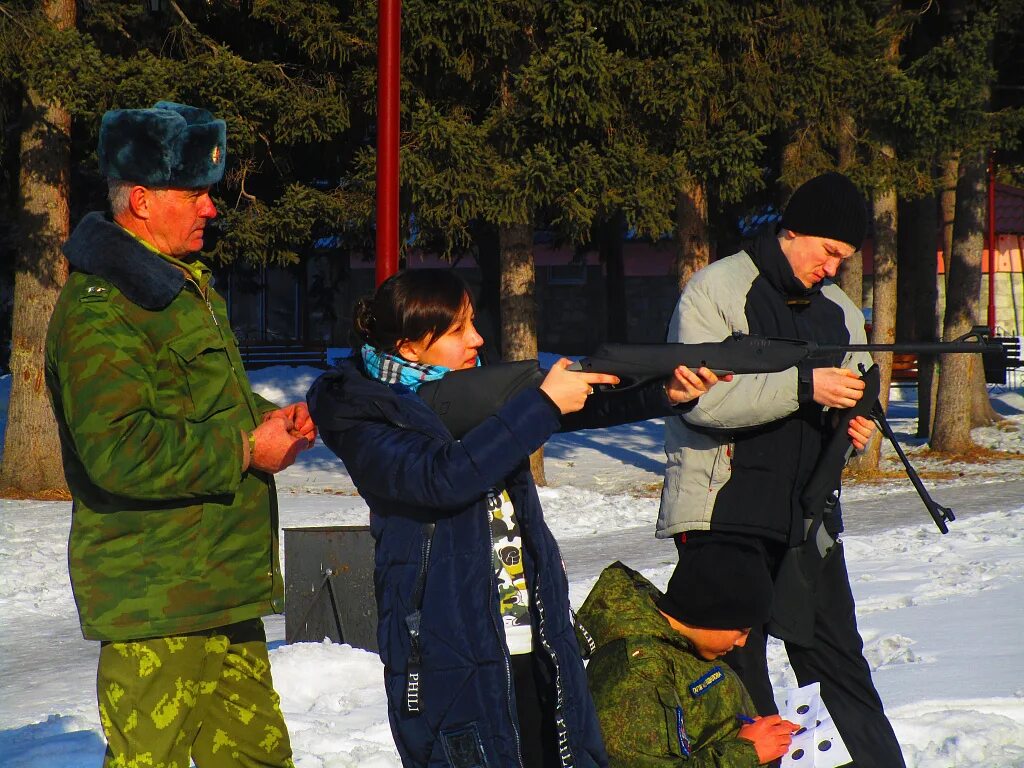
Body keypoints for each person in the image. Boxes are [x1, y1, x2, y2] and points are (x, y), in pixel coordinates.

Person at [307, 269, 722, 768]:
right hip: (447, 647)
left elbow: (581, 407)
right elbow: (441, 477)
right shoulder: (359, 412)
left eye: (473, 323)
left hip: (536, 633)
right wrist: (543, 403)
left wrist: (664, 395)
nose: (478, 339)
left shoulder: (472, 387)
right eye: (459, 330)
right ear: (410, 347)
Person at [44, 101, 314, 767]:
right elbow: (118, 450)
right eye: (194, 194)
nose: (210, 210)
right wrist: (246, 450)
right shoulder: (102, 311)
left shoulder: (177, 287)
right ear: (141, 199)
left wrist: (266, 418)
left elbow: (197, 399)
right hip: (157, 604)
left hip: (218, 590)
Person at [657, 171, 904, 768]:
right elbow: (701, 403)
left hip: (808, 519)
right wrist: (804, 385)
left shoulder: (842, 312)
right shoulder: (714, 291)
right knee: (735, 685)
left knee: (839, 664)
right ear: (793, 232)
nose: (833, 268)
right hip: (725, 516)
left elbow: (846, 400)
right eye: (828, 252)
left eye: (844, 258)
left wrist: (851, 430)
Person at [577, 549, 798, 767]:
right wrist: (746, 752)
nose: (742, 642)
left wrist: (760, 734)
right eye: (741, 630)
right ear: (710, 613)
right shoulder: (636, 672)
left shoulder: (682, 645)